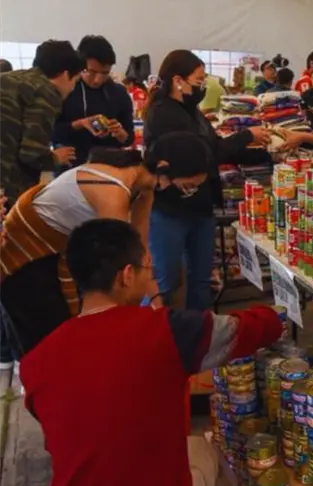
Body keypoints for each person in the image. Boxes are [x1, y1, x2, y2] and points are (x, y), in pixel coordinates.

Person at [20, 218, 284, 486]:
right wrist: (276, 315)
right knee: (205, 448)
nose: (150, 277)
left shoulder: (37, 360)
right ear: (126, 275)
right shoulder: (166, 332)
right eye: (147, 268)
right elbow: (245, 330)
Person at [0, 131, 210, 356]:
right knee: (46, 338)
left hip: (56, 248)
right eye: (186, 187)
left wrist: (156, 301)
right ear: (164, 167)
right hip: (28, 251)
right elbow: (119, 263)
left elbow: (141, 250)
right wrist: (143, 317)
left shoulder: (142, 186)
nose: (186, 193)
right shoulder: (113, 193)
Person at [144, 50, 269, 311]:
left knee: (201, 280)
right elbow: (199, 155)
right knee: (164, 282)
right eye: (199, 80)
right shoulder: (164, 113)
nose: (203, 86)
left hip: (200, 207)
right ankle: (150, 335)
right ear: (179, 80)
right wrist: (245, 135)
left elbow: (215, 147)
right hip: (172, 209)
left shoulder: (192, 112)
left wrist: (266, 151)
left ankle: (199, 335)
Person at [0, 40, 82, 200]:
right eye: (75, 81)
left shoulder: (8, 79)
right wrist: (56, 157)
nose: (72, 88)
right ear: (66, 75)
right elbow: (31, 154)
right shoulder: (46, 93)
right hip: (6, 183)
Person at [51, 36, 135, 170]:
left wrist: (121, 135)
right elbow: (51, 133)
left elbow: (129, 137)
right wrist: (79, 124)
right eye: (92, 72)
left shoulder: (118, 93)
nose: (97, 79)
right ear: (80, 65)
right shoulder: (66, 90)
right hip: (71, 167)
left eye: (105, 73)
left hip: (108, 167)